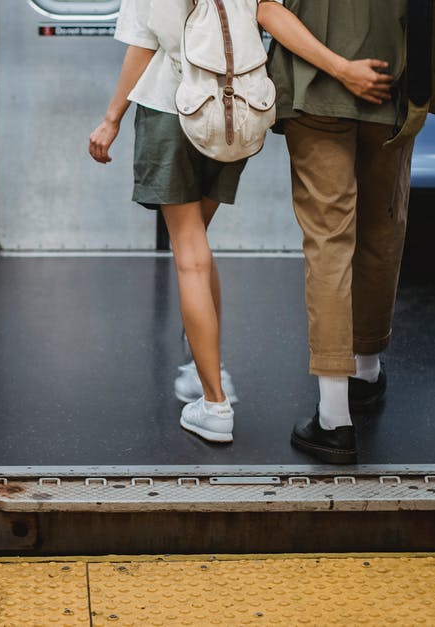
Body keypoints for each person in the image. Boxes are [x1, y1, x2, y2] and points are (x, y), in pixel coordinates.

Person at [89, 0, 391, 444]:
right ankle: (202, 368)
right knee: (199, 246)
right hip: (237, 116)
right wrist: (341, 67)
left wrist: (111, 118)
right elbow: (268, 16)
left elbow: (142, 44)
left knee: (189, 254)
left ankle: (214, 406)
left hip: (172, 110)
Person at [257, 0, 413, 464]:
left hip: (315, 92)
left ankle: (333, 418)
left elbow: (266, 10)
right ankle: (365, 371)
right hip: (391, 88)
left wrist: (342, 69)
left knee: (329, 243)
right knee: (381, 231)